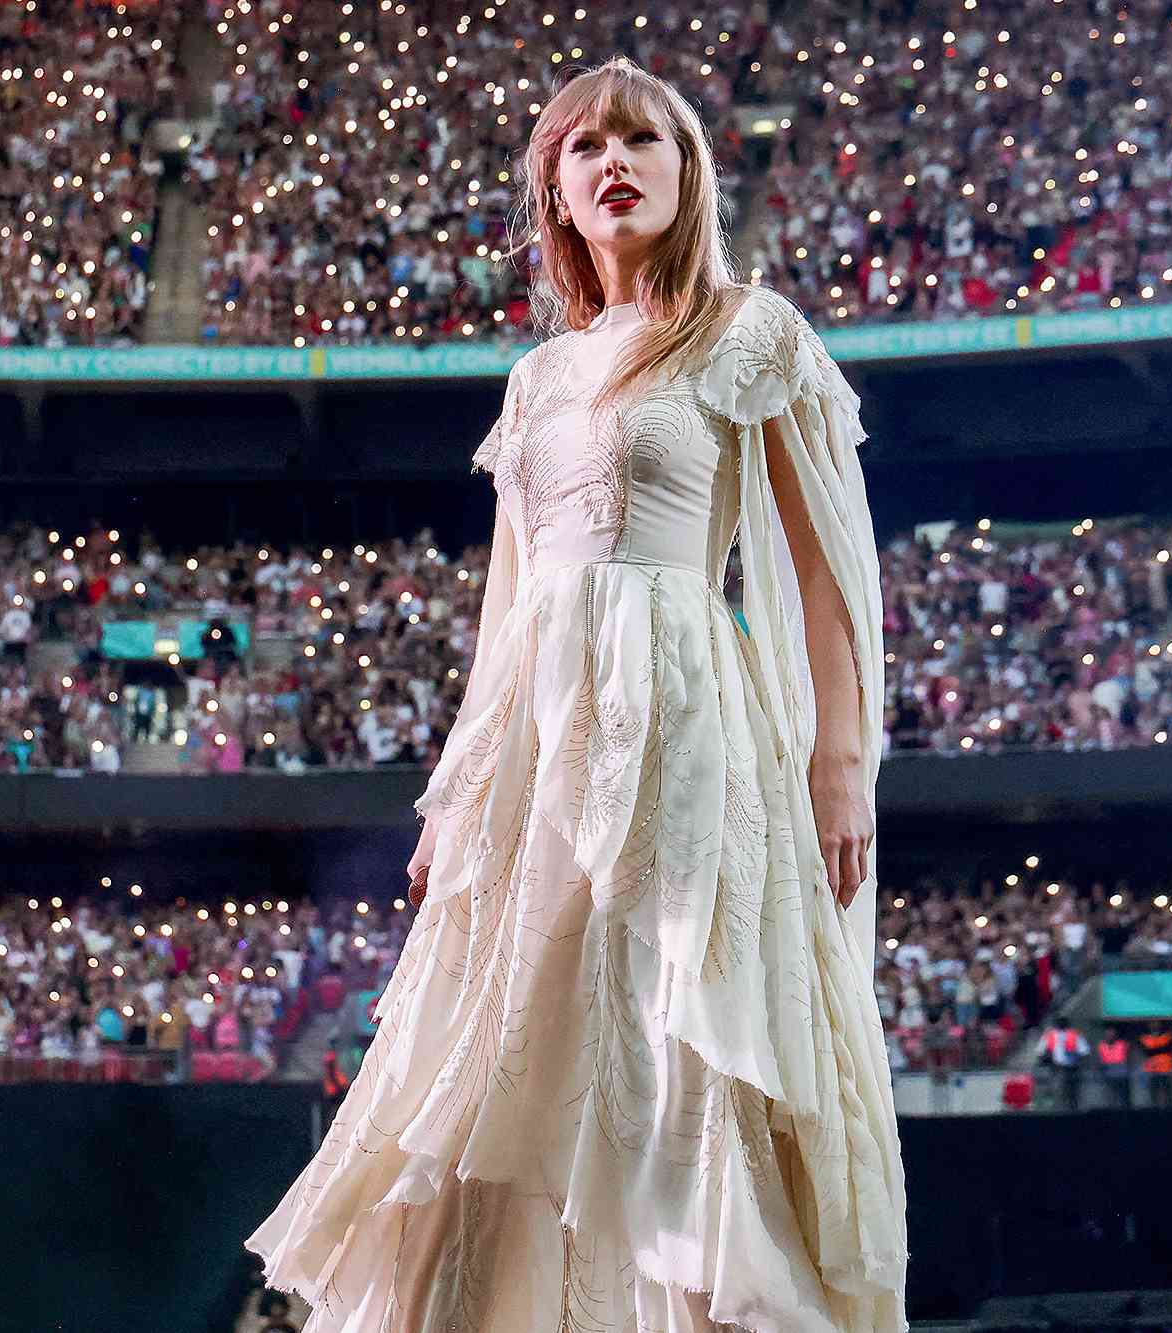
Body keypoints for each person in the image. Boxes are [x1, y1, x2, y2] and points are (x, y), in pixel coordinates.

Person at [244, 56, 907, 1331]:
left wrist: (838, 765)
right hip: (542, 739)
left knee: (677, 1018)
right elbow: (507, 609)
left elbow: (825, 579)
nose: (613, 160)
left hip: (686, 713)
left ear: (686, 170)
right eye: (584, 144)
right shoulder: (535, 379)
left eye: (642, 139)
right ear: (553, 187)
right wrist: (454, 798)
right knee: (524, 1031)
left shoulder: (750, 333)